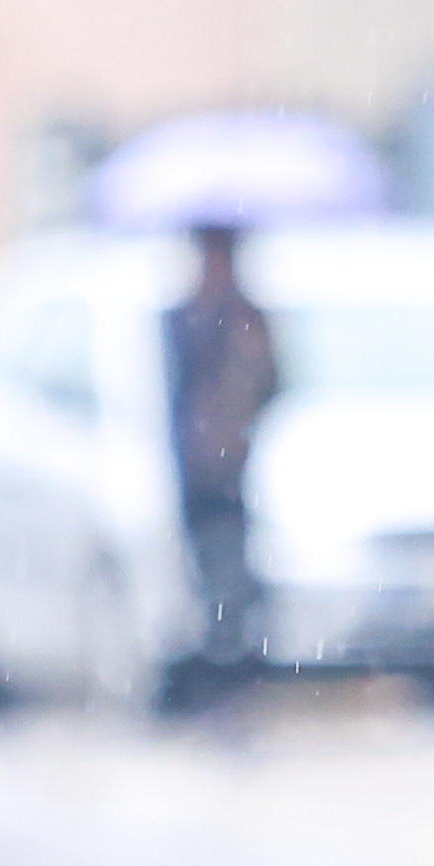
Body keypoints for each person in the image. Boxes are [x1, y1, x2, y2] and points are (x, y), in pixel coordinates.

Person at [162, 222, 280, 708]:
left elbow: (271, 384)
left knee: (232, 572)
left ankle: (230, 669)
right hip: (193, 470)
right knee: (198, 572)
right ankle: (208, 670)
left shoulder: (247, 319)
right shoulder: (183, 317)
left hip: (234, 469)